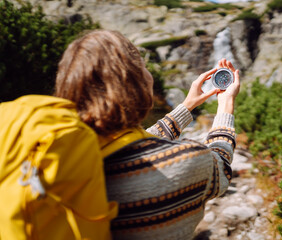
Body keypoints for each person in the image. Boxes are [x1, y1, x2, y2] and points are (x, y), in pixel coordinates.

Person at [55, 29, 240, 240]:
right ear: (136, 83)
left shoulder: (63, 152)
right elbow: (220, 166)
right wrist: (226, 104)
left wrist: (188, 105)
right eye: (144, 68)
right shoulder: (188, 160)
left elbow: (139, 139)